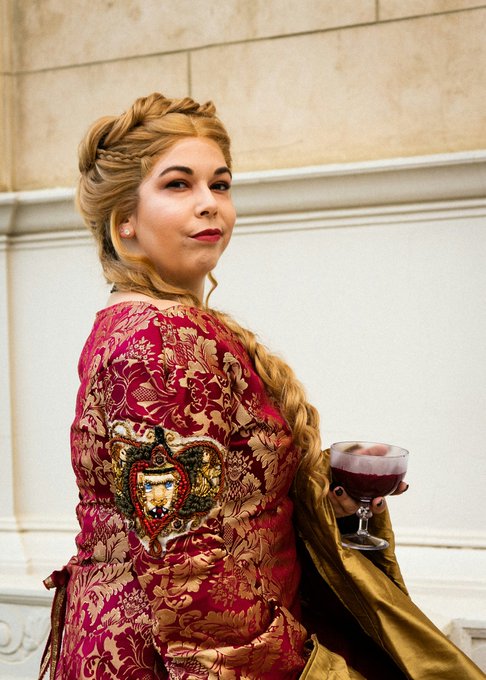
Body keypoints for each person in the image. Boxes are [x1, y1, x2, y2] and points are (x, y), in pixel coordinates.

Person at [39, 93, 484, 679]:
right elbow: (186, 565)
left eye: (220, 185)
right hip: (179, 657)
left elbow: (213, 507)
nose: (209, 203)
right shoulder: (157, 341)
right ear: (125, 218)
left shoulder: (159, 324)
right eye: (178, 184)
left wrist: (328, 501)